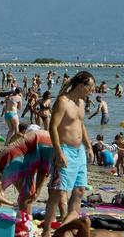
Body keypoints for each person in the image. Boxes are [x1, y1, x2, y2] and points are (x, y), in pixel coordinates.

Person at [42, 71, 95, 237]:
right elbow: (53, 127)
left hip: (79, 152)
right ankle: (46, 232)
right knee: (57, 193)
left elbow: (81, 125)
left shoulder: (81, 101)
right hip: (64, 150)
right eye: (90, 87)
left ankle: (65, 228)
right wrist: (59, 153)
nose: (91, 91)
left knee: (79, 191)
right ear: (81, 85)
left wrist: (89, 146)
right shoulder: (62, 101)